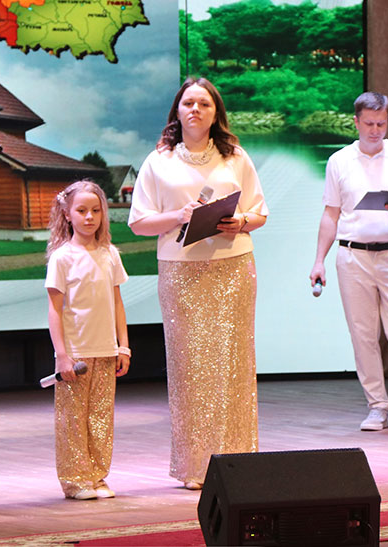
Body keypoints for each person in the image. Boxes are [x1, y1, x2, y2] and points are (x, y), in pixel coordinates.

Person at [128, 77, 268, 490]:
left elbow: (259, 212)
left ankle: (237, 459)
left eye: (204, 104)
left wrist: (239, 221)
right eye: (188, 103)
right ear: (177, 110)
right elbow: (138, 222)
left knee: (233, 363)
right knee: (190, 367)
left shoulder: (235, 156)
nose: (195, 110)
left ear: (215, 112)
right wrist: (179, 216)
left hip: (232, 267)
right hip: (181, 271)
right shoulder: (159, 160)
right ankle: (196, 465)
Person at [309, 91, 388, 432]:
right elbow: (331, 214)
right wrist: (318, 260)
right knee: (363, 334)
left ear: (387, 121)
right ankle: (377, 406)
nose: (375, 130)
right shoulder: (339, 161)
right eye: (369, 124)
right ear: (356, 122)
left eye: (381, 123)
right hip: (353, 255)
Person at [45, 180, 131, 499]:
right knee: (73, 419)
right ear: (67, 214)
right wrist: (61, 355)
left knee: (100, 417)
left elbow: (117, 303)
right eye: (81, 211)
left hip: (106, 349)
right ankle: (75, 479)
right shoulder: (62, 258)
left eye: (95, 210)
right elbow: (55, 309)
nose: (89, 217)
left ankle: (96, 476)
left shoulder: (110, 254)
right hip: (76, 352)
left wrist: (123, 346)